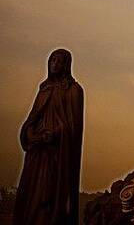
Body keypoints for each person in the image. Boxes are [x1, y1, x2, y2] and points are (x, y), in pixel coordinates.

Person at [14, 48, 84, 225]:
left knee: (49, 195)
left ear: (66, 65)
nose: (54, 65)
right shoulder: (44, 89)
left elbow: (73, 127)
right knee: (30, 193)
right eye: (52, 61)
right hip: (37, 153)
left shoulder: (74, 90)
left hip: (57, 155)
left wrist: (54, 134)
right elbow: (33, 118)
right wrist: (31, 134)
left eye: (59, 61)